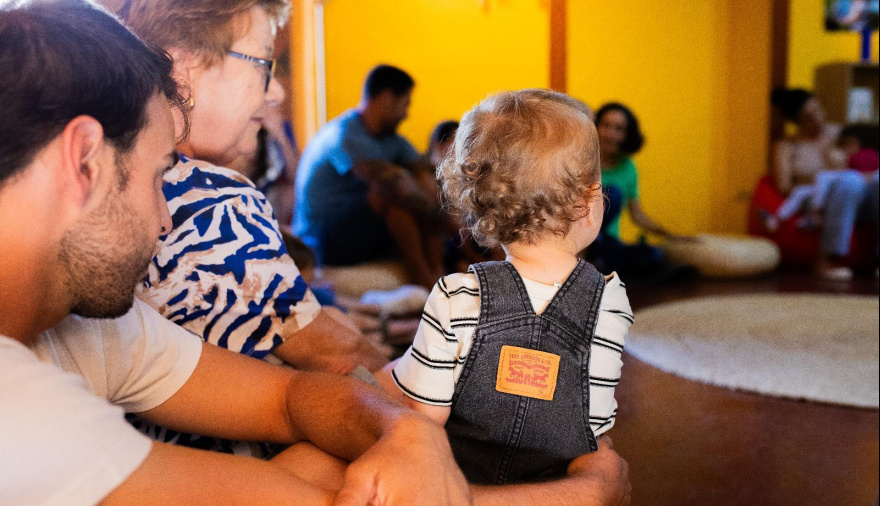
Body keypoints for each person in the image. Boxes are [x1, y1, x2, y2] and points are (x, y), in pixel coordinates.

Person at [0, 2, 472, 505]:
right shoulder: (21, 410)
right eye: (158, 177)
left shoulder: (91, 331)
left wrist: (405, 430)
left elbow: (286, 399)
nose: (165, 219)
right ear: (85, 162)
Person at [103, 0, 392, 456]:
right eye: (262, 63)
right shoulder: (211, 201)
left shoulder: (116, 180)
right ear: (182, 68)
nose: (274, 92)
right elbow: (341, 359)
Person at [376, 89, 634, 485]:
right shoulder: (610, 301)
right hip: (557, 481)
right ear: (587, 203)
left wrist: (384, 384)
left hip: (466, 479)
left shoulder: (457, 295)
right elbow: (595, 419)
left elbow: (425, 414)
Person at [293, 65, 445, 289]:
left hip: (361, 234)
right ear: (386, 98)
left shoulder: (391, 140)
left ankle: (440, 273)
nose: (406, 114)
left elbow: (426, 172)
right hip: (322, 242)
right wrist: (432, 209)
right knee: (389, 194)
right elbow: (388, 183)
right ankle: (426, 281)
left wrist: (436, 196)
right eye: (405, 104)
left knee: (424, 190)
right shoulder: (343, 134)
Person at [770, 88, 880, 280]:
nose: (818, 119)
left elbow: (866, 159)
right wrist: (826, 176)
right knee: (849, 181)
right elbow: (784, 187)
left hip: (859, 196)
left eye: (818, 110)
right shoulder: (787, 147)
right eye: (809, 117)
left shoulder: (841, 133)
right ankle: (828, 259)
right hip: (815, 198)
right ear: (797, 121)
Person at [587, 102, 685, 280]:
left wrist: (670, 235)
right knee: (612, 194)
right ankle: (597, 260)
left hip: (606, 242)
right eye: (606, 125)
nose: (610, 134)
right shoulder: (583, 159)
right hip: (582, 238)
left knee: (653, 254)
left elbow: (637, 215)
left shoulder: (628, 167)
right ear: (596, 127)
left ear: (626, 136)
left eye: (618, 129)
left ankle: (601, 262)